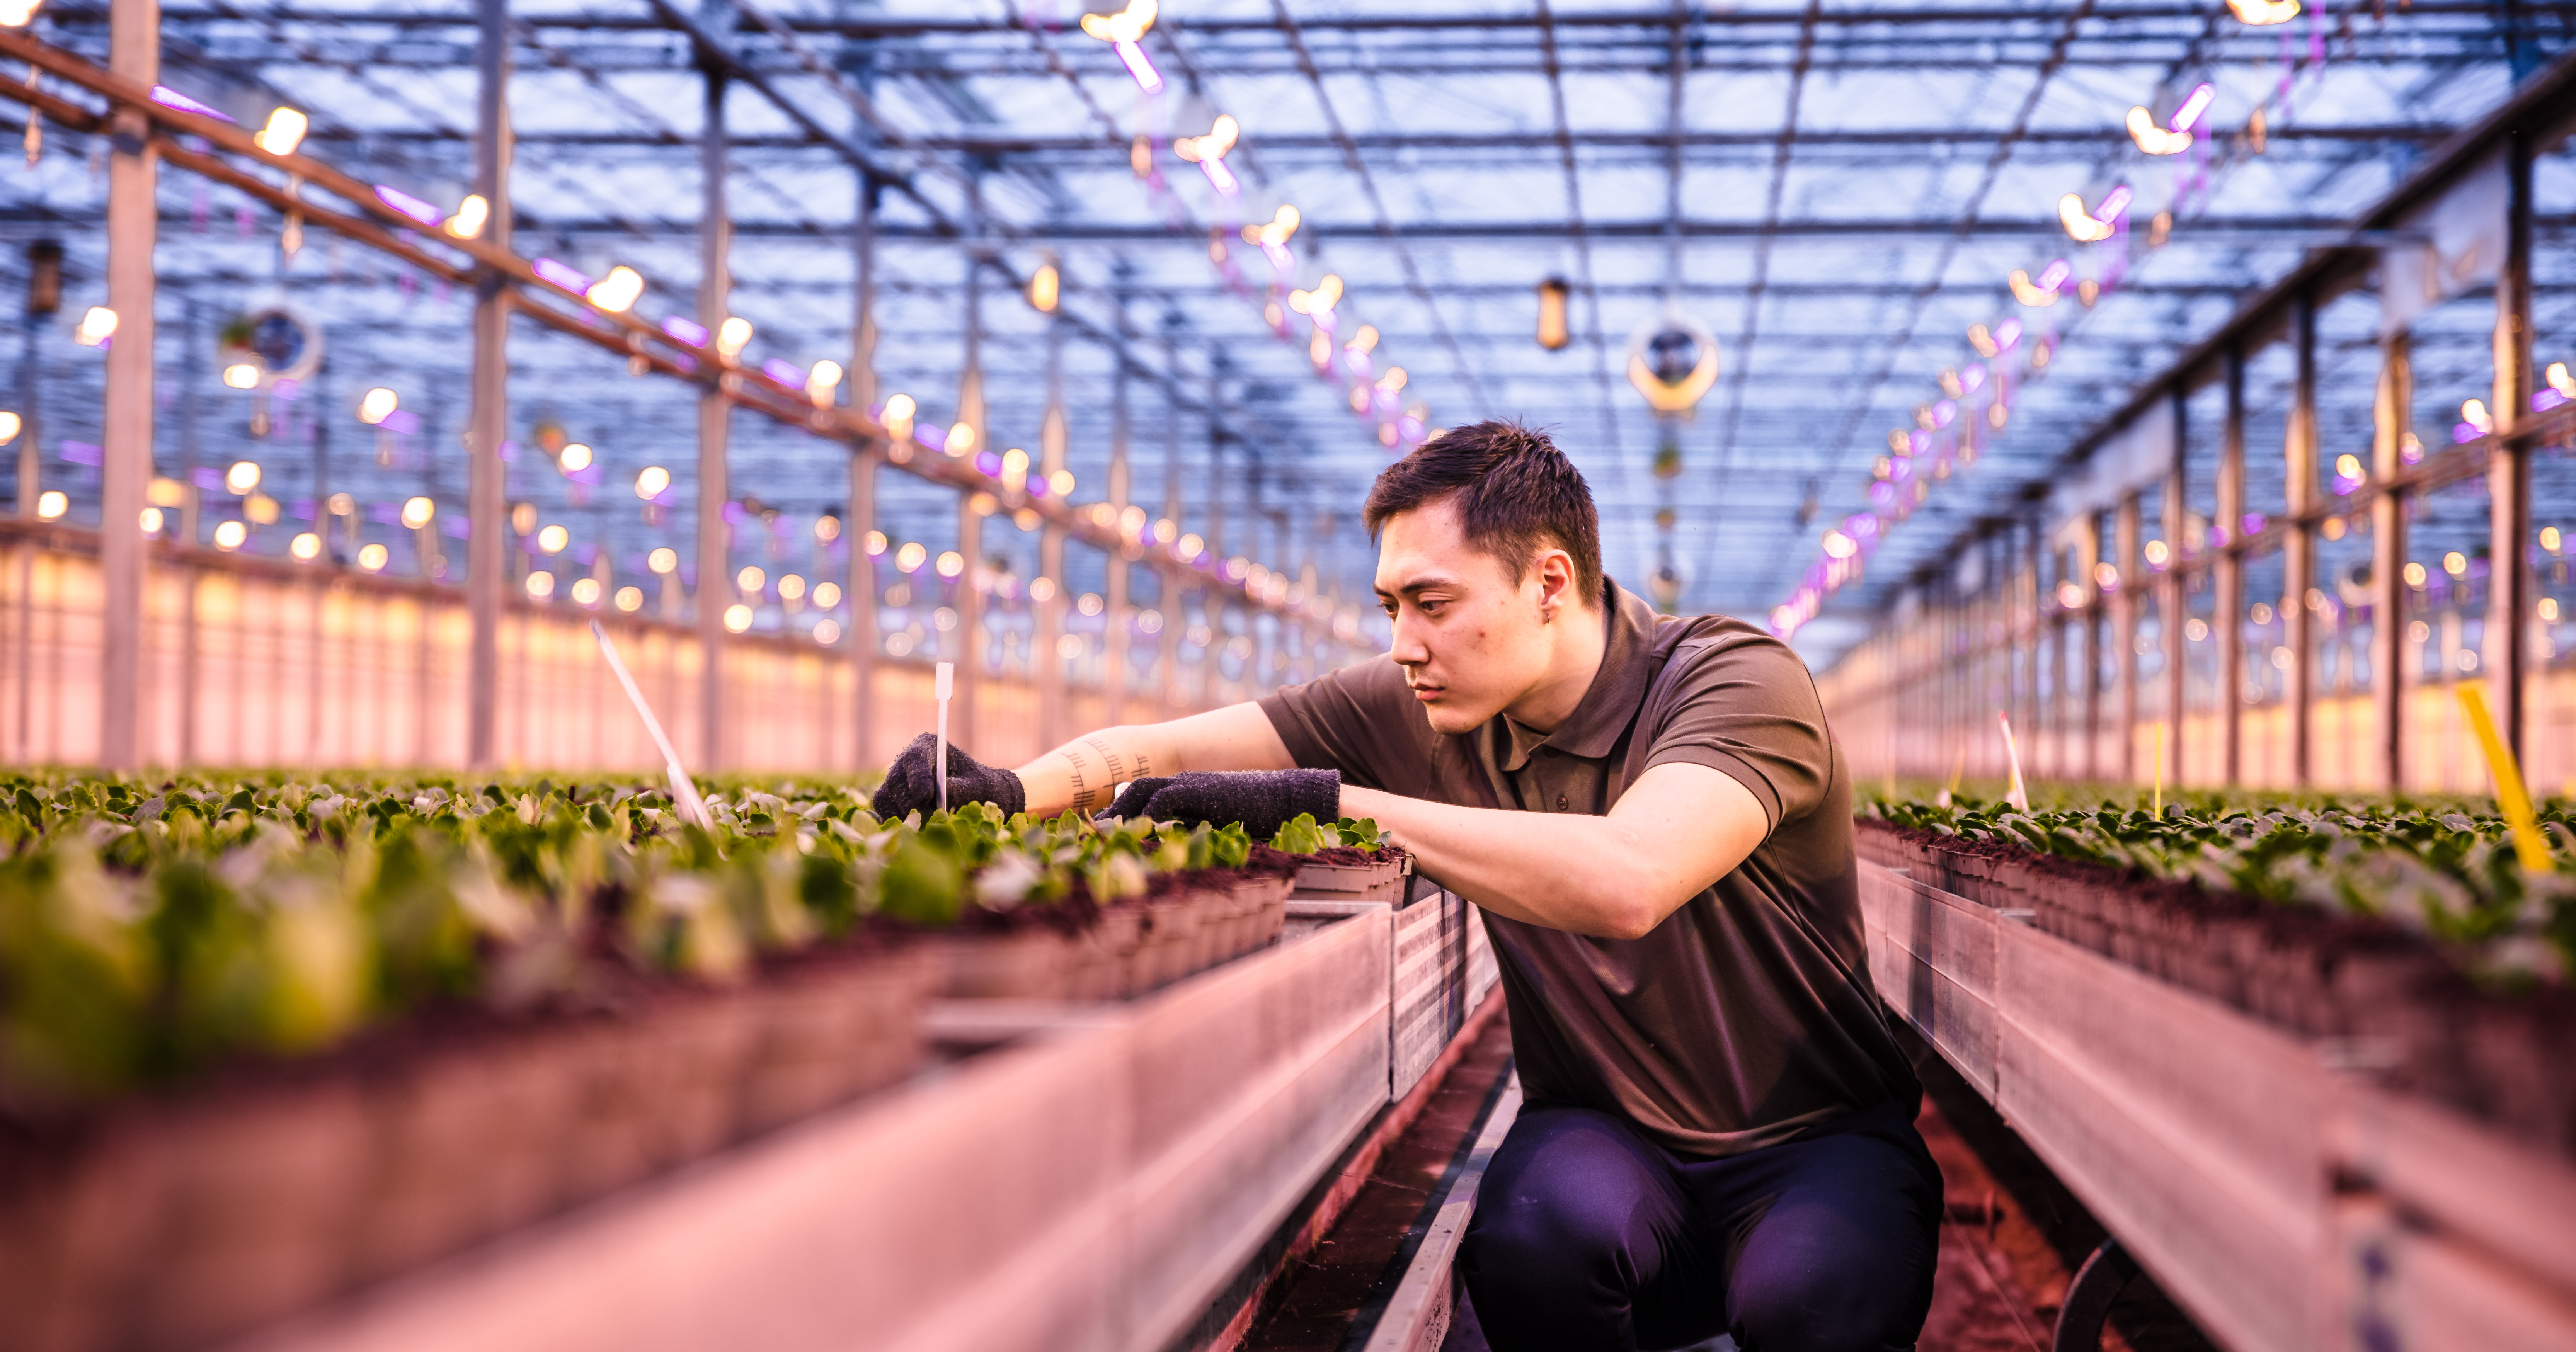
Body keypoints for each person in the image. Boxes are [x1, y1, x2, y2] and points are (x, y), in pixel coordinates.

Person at [871, 421, 1940, 1352]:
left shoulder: (1734, 679)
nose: (1402, 646)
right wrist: (1011, 791)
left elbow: (1628, 877)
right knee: (1528, 1241)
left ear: (1549, 583)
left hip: (1812, 1139)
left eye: (1430, 603)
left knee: (1813, 1303)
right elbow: (1151, 750)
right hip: (1609, 1133)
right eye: (1389, 606)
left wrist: (1340, 804)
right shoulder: (1421, 703)